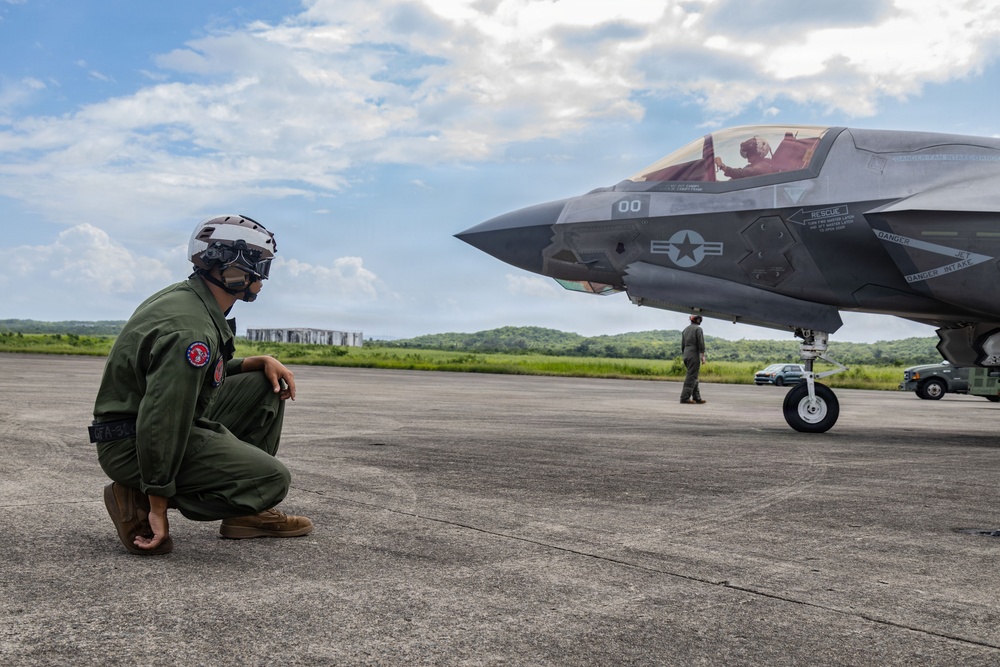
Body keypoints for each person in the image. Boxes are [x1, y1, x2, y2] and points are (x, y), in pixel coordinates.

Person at [90, 214, 313, 555]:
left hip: (141, 428)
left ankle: (246, 515)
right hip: (135, 445)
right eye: (261, 266)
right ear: (234, 267)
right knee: (271, 480)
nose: (263, 278)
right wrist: (157, 502)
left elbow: (190, 380)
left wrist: (254, 362)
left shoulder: (189, 300)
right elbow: (164, 417)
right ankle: (135, 494)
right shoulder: (191, 330)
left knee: (260, 383)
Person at [679, 314, 707, 405]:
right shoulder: (698, 329)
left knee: (694, 376)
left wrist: (685, 355)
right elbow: (701, 343)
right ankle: (684, 398)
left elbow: (682, 345)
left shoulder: (685, 330)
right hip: (693, 354)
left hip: (686, 354)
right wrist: (702, 356)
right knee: (691, 376)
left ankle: (697, 397)